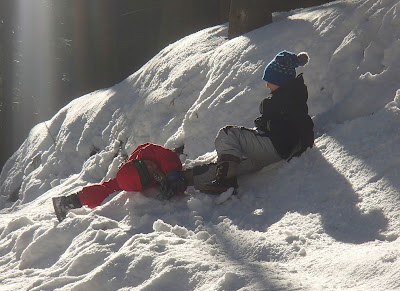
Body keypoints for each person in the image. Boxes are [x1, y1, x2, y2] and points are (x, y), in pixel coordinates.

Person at [199, 50, 315, 193]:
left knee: (228, 134)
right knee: (230, 162)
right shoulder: (288, 97)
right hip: (275, 148)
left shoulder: (287, 100)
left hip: (273, 146)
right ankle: (184, 179)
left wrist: (306, 146)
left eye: (270, 81)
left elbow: (303, 121)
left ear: (279, 81)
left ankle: (225, 182)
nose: (267, 85)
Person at [52, 143, 188, 222]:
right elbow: (103, 190)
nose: (151, 165)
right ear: (145, 183)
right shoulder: (131, 180)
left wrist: (172, 173)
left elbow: (167, 155)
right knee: (107, 189)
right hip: (133, 178)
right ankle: (65, 202)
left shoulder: (146, 153)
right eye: (148, 170)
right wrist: (75, 200)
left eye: (145, 164)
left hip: (138, 171)